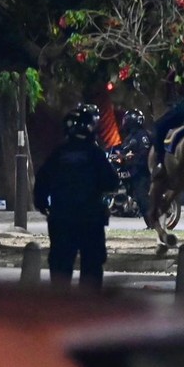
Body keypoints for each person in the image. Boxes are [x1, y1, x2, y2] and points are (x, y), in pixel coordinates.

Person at [33, 107, 119, 291]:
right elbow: (111, 181)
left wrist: (42, 204)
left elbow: (42, 180)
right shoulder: (95, 154)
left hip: (61, 218)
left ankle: (61, 306)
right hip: (90, 219)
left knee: (61, 265)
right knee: (92, 266)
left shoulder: (58, 154)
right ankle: (87, 309)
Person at [117, 109, 153, 227]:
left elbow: (145, 153)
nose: (125, 122)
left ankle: (152, 224)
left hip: (141, 172)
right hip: (132, 171)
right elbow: (123, 149)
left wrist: (131, 158)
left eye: (126, 120)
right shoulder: (131, 136)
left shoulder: (142, 135)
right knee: (138, 197)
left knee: (142, 197)